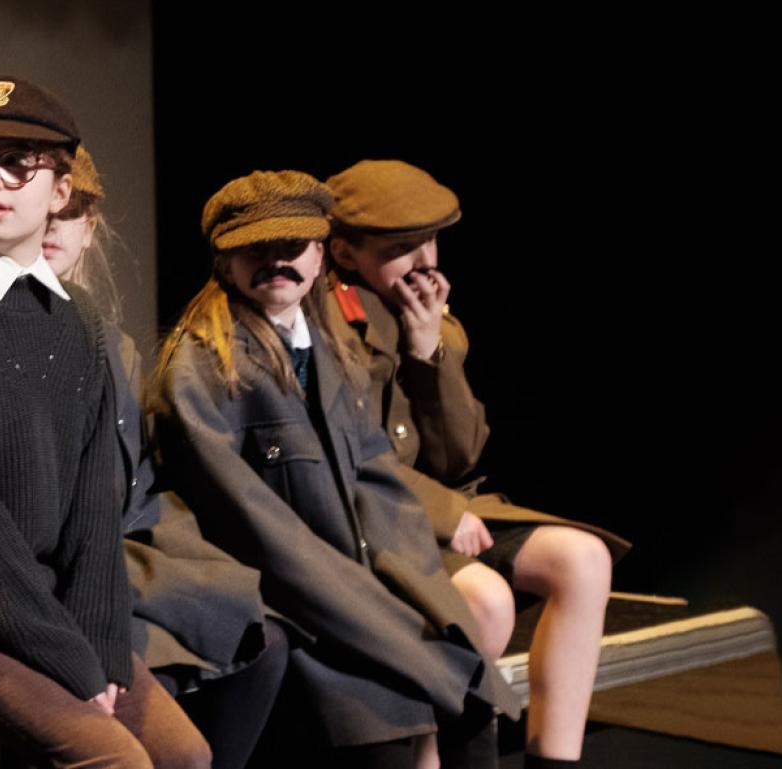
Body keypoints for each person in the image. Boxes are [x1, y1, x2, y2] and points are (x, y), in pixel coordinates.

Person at [0, 78, 208, 769]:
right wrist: (69, 659)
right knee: (116, 758)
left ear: (59, 190)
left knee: (185, 752)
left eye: (16, 160)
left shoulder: (77, 317)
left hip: (40, 612)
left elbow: (92, 506)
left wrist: (104, 645)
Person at [151, 171, 514, 769]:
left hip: (357, 586)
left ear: (321, 255)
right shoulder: (200, 368)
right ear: (224, 261)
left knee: (465, 681)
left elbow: (381, 487)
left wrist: (413, 591)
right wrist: (380, 616)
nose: (276, 262)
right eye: (255, 249)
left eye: (292, 247)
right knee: (397, 705)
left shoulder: (332, 350)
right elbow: (261, 533)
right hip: (291, 605)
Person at [324, 160, 624, 768]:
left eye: (429, 241)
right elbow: (343, 453)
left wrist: (430, 351)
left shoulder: (433, 317)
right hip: (374, 518)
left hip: (447, 510)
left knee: (583, 560)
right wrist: (442, 511)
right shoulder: (323, 326)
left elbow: (460, 455)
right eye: (401, 248)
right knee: (486, 600)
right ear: (345, 253)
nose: (424, 262)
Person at [44, 149, 288, 769]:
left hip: (126, 547)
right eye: (42, 207)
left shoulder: (115, 344)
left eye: (67, 211)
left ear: (89, 227)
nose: (51, 224)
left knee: (260, 632)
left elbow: (136, 481)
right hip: (62, 569)